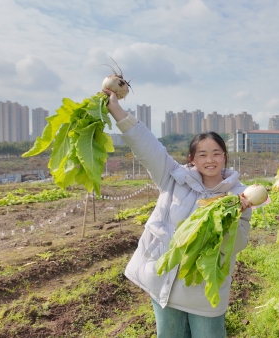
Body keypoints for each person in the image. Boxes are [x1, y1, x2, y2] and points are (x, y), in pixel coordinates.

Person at [104, 89, 253, 338]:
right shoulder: (173, 177)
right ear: (191, 159)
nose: (210, 160)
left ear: (225, 157)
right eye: (202, 154)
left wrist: (234, 216)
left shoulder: (240, 195)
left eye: (216, 153)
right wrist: (116, 109)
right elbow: (147, 147)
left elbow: (237, 245)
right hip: (165, 283)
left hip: (204, 292)